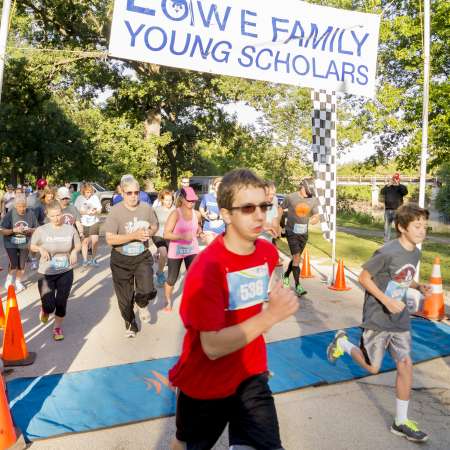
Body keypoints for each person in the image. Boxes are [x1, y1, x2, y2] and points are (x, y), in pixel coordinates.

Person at [169, 168, 299, 450]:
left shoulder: (266, 253)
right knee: (185, 444)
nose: (260, 215)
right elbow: (212, 346)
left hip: (251, 376)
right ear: (226, 214)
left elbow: (261, 299)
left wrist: (277, 299)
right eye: (248, 208)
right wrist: (272, 315)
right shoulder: (206, 270)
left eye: (263, 206)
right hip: (205, 384)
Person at [327, 203, 431, 443]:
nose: (422, 230)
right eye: (417, 226)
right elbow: (364, 277)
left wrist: (417, 286)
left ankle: (401, 421)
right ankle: (343, 343)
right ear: (401, 227)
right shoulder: (386, 251)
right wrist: (386, 300)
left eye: (425, 226)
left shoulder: (415, 252)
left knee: (405, 364)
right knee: (373, 367)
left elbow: (403, 276)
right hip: (377, 316)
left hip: (400, 317)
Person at [104, 176, 158, 337]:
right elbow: (110, 239)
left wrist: (151, 231)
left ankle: (142, 304)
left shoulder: (146, 208)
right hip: (121, 259)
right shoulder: (115, 211)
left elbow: (155, 225)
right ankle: (130, 323)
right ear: (122, 192)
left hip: (141, 255)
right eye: (129, 193)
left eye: (136, 192)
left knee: (147, 288)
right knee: (125, 299)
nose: (133, 196)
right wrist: (133, 235)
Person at [30, 201, 81, 341]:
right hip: (46, 272)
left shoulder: (70, 229)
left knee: (61, 301)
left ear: (62, 213)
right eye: (53, 216)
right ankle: (45, 310)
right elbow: (32, 246)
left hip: (65, 270)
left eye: (59, 215)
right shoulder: (42, 230)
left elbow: (77, 245)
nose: (57, 218)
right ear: (48, 215)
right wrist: (40, 248)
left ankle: (57, 327)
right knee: (49, 305)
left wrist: (75, 252)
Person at [163, 187, 202, 312]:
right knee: (172, 279)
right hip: (176, 250)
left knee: (194, 276)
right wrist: (182, 236)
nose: (191, 202)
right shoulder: (175, 213)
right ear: (182, 199)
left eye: (193, 200)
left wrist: (201, 233)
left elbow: (198, 228)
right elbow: (166, 234)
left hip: (192, 249)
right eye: (189, 200)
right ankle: (168, 302)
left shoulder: (197, 214)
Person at [281, 179, 319, 296]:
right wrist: (279, 225)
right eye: (307, 191)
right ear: (302, 187)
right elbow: (280, 209)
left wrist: (314, 219)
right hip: (291, 231)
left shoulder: (312, 199)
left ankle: (286, 275)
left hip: (303, 233)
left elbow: (316, 215)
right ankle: (298, 286)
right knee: (297, 257)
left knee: (295, 258)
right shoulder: (291, 197)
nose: (308, 193)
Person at [0, 194, 37, 292]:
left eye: (24, 206)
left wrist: (29, 230)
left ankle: (18, 282)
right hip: (10, 242)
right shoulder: (10, 214)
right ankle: (8, 281)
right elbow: (2, 230)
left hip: (25, 242)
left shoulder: (31, 213)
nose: (22, 208)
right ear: (15, 206)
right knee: (14, 263)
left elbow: (36, 228)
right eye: (20, 206)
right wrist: (13, 230)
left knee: (22, 264)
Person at [74, 183, 102, 267]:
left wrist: (95, 212)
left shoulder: (95, 198)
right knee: (85, 242)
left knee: (95, 240)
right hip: (83, 222)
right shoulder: (79, 199)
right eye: (87, 192)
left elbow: (100, 211)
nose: (88, 194)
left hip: (94, 221)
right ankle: (85, 260)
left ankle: (93, 259)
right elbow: (76, 211)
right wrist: (85, 212)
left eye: (90, 192)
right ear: (83, 192)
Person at [153, 189, 175, 286]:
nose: (169, 202)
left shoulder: (175, 210)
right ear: (161, 200)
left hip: (170, 236)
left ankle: (159, 271)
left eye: (170, 200)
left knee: (169, 257)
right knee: (163, 252)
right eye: (166, 200)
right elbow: (152, 223)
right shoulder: (156, 210)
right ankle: (161, 274)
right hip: (158, 235)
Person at [380, 173, 408, 242]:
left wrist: (398, 184)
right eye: (394, 179)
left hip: (398, 210)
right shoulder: (388, 187)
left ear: (399, 179)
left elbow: (405, 192)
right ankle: (386, 241)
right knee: (386, 227)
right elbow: (382, 192)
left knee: (398, 227)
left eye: (396, 179)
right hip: (388, 210)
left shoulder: (401, 187)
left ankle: (400, 242)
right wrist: (387, 185)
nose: (395, 180)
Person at [199, 177, 225, 245]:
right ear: (214, 186)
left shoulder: (226, 199)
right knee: (211, 248)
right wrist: (204, 214)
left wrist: (217, 217)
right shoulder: (206, 197)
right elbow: (201, 208)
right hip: (208, 229)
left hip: (222, 230)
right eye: (219, 185)